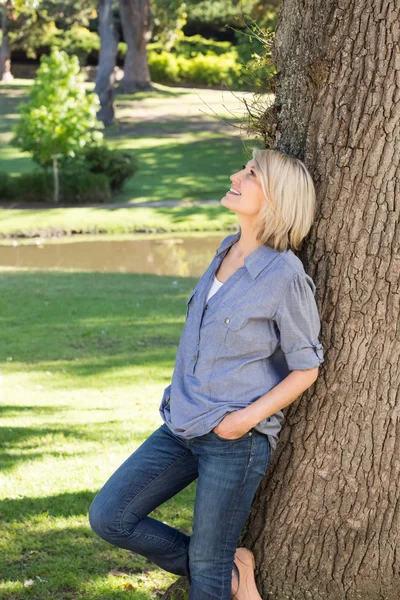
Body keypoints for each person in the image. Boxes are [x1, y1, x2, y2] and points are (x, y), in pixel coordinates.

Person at [89, 148, 325, 600]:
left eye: (251, 173)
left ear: (277, 198)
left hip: (235, 441)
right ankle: (233, 575)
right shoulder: (226, 249)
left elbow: (306, 368)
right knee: (110, 516)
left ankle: (220, 573)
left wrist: (240, 421)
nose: (236, 175)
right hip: (181, 425)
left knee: (207, 569)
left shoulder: (285, 275)